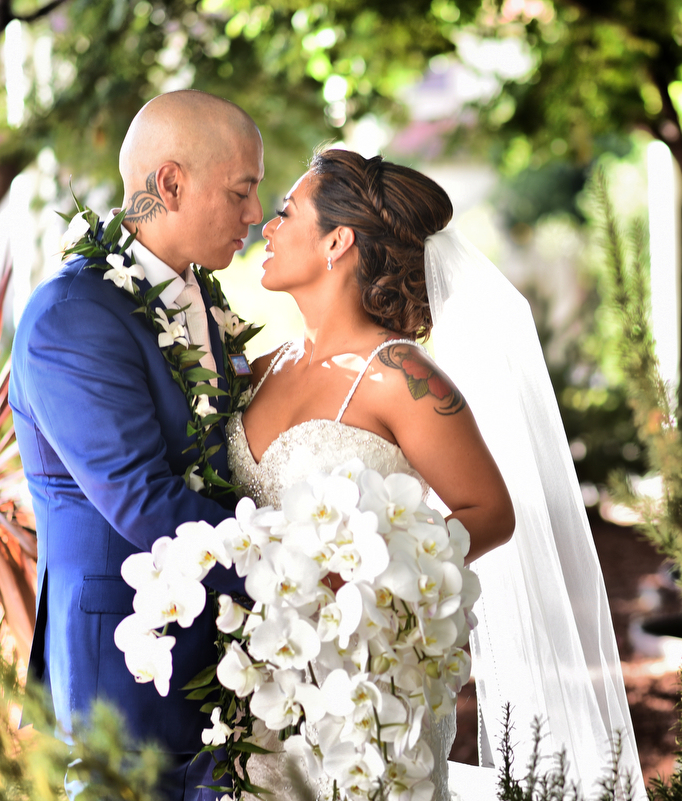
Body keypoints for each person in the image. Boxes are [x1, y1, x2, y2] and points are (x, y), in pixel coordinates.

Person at [234, 149, 644, 800]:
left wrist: (373, 585)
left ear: (337, 241)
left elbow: (488, 509)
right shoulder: (258, 368)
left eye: (286, 212)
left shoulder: (402, 377)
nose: (267, 226)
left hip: (361, 684)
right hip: (254, 675)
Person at [10, 90, 263, 800]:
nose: (254, 214)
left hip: (215, 657)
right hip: (121, 670)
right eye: (241, 190)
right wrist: (294, 569)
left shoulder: (198, 296)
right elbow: (144, 500)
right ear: (172, 183)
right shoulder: (72, 315)